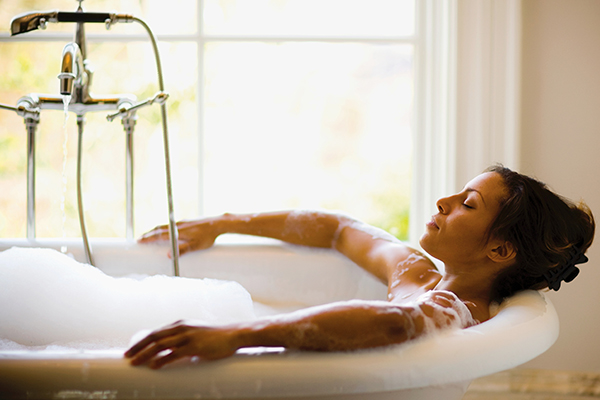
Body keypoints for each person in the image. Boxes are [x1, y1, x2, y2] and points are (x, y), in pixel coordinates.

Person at [125, 165, 595, 369]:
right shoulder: (421, 277)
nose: (444, 201)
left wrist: (238, 336)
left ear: (500, 251)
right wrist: (221, 223)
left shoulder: (460, 310)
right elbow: (338, 230)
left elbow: (395, 325)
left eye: (467, 204)